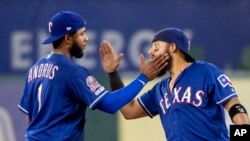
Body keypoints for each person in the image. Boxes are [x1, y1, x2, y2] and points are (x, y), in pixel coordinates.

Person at [18, 11, 169, 141]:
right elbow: (110, 104)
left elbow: (29, 118)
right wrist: (143, 78)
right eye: (81, 33)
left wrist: (112, 73)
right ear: (68, 39)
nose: (86, 38)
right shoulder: (72, 72)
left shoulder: (34, 68)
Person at [101, 27, 250, 141]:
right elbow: (129, 111)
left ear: (172, 47)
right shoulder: (160, 89)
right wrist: (113, 74)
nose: (150, 52)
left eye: (156, 47)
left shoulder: (206, 71)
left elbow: (235, 106)